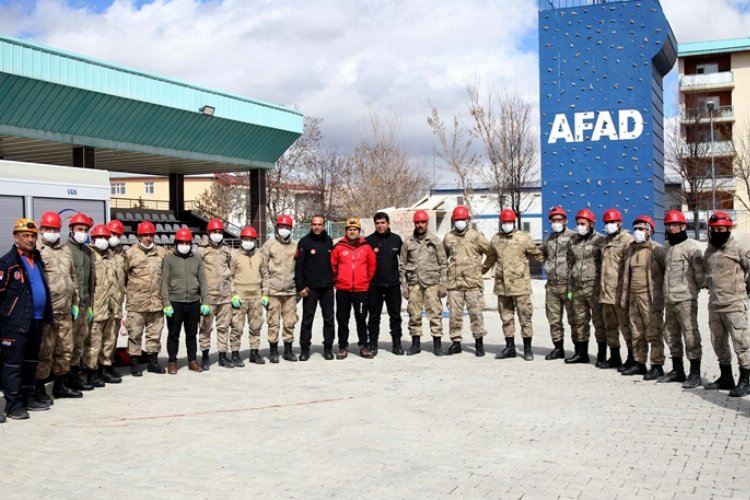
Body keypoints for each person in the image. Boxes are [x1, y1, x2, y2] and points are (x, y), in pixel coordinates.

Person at [0, 218, 53, 420]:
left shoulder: (36, 259)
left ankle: (28, 397)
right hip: (15, 324)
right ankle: (13, 405)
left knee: (31, 362)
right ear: (16, 237)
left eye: (32, 236)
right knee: (13, 365)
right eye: (25, 235)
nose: (30, 239)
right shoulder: (8, 263)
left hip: (36, 320)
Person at [484, 209, 544, 361]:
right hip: (502, 286)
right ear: (500, 223)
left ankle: (527, 349)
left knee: (525, 318)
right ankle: (510, 347)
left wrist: (551, 264)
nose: (507, 225)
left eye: (509, 222)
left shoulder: (523, 238)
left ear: (514, 223)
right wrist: (480, 271)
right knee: (506, 318)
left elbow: (537, 255)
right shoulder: (496, 239)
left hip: (520, 286)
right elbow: (491, 257)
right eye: (504, 222)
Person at [702, 211, 750, 397]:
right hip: (715, 304)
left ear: (729, 229)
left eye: (721, 229)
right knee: (718, 343)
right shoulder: (709, 251)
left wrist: (743, 291)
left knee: (741, 343)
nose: (717, 232)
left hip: (734, 304)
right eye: (714, 229)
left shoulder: (738, 248)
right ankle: (726, 377)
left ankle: (746, 379)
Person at [36, 211, 81, 401]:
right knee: (45, 351)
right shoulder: (37, 250)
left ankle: (60, 386)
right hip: (48, 311)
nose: (51, 232)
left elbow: (73, 277)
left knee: (64, 349)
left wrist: (75, 302)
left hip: (65, 309)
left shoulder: (65, 250)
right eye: (48, 228)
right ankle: (39, 388)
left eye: (55, 229)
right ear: (41, 229)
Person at [660, 210, 705, 388]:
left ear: (683, 226)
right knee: (671, 335)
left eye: (675, 225)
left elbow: (700, 274)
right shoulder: (667, 248)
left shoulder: (691, 248)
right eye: (668, 225)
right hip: (669, 300)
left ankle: (695, 373)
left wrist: (694, 291)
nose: (671, 228)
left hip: (685, 299)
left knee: (690, 335)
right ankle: (677, 370)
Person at [618, 216, 666, 379]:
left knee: (654, 332)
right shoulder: (630, 248)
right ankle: (639, 363)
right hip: (633, 296)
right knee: (636, 331)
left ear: (650, 231)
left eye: (642, 229)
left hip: (650, 298)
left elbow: (667, 272)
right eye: (636, 228)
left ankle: (657, 365)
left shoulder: (657, 250)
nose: (638, 232)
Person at [442, 205, 491, 356]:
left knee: (476, 314)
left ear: (468, 220)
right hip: (454, 284)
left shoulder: (476, 236)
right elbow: (443, 258)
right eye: (457, 220)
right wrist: (444, 279)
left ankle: (479, 344)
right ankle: (456, 343)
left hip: (473, 284)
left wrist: (482, 270)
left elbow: (491, 253)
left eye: (462, 219)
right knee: (454, 316)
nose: (460, 222)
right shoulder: (448, 237)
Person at [399, 210, 447, 356]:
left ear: (427, 223)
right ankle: (415, 344)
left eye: (423, 222)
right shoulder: (408, 242)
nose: (420, 225)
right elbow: (402, 265)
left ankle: (437, 345)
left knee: (435, 314)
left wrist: (443, 284)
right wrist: (404, 286)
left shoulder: (435, 240)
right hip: (414, 284)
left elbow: (443, 263)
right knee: (414, 314)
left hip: (432, 283)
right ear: (415, 223)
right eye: (418, 222)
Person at [161, 228, 208, 374]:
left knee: (191, 334)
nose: (184, 245)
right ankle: (172, 361)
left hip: (193, 302)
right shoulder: (169, 259)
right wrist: (166, 303)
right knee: (173, 334)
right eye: (181, 242)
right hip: (175, 302)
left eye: (187, 242)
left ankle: (192, 361)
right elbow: (164, 282)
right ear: (176, 243)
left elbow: (203, 281)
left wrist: (205, 301)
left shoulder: (196, 259)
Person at [330, 218, 376, 359]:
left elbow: (372, 267)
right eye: (349, 229)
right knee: (342, 319)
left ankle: (363, 346)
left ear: (359, 231)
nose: (352, 231)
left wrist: (364, 281)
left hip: (361, 290)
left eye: (355, 229)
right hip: (343, 290)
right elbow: (333, 266)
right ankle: (343, 347)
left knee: (361, 319)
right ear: (346, 231)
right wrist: (339, 280)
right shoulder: (339, 247)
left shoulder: (366, 248)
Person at [125, 221, 167, 376]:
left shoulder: (162, 253)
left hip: (156, 303)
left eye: (151, 235)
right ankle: (135, 364)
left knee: (154, 335)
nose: (148, 238)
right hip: (137, 304)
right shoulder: (130, 254)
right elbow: (123, 278)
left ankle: (152, 362)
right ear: (139, 236)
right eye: (145, 235)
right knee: (135, 335)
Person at [565, 208, 606, 365]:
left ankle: (602, 355)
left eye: (583, 223)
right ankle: (581, 354)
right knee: (580, 321)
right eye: (578, 223)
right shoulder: (573, 240)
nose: (580, 226)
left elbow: (604, 265)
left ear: (591, 224)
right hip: (577, 288)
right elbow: (570, 264)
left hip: (594, 287)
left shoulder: (600, 241)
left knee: (598, 322)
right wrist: (570, 288)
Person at [196, 219, 235, 370]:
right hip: (208, 297)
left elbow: (230, 272)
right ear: (208, 233)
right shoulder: (201, 250)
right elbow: (197, 273)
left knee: (224, 327)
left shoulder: (226, 249)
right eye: (214, 232)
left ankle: (222, 356)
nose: (217, 235)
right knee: (205, 328)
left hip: (225, 296)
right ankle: (205, 356)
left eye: (219, 232)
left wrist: (233, 293)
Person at [84, 224, 120, 388]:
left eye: (106, 238)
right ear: (93, 239)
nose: (104, 241)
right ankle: (91, 372)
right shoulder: (89, 255)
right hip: (97, 305)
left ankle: (105, 367)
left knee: (109, 339)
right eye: (100, 238)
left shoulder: (111, 256)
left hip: (111, 305)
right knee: (93, 341)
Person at [295, 215, 335, 360]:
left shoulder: (329, 241)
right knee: (307, 319)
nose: (316, 227)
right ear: (310, 225)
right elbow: (298, 267)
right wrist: (301, 286)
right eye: (314, 224)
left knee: (329, 319)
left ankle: (328, 348)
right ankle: (305, 349)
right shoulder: (304, 242)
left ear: (324, 225)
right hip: (310, 289)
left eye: (319, 224)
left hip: (327, 288)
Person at [598, 208, 634, 370]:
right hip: (606, 294)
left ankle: (633, 358)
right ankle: (614, 357)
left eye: (612, 222)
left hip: (620, 294)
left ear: (619, 223)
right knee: (610, 327)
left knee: (626, 327)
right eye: (607, 223)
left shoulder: (627, 240)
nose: (609, 225)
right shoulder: (605, 242)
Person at [261, 214, 299, 363]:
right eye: (281, 227)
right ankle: (273, 351)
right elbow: (263, 268)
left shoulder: (295, 246)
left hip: (290, 291)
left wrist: (298, 290)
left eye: (287, 227)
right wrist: (265, 291)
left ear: (291, 229)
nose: (284, 230)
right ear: (277, 228)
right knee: (273, 322)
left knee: (290, 322)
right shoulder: (269, 245)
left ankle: (288, 350)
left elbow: (300, 268)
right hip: (273, 292)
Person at [365, 212, 404, 356]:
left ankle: (397, 344)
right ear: (374, 224)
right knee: (374, 317)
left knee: (395, 316)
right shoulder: (368, 241)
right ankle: (373, 344)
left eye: (383, 223)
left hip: (393, 285)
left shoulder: (396, 239)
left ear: (388, 223)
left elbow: (404, 261)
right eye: (377, 223)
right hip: (374, 286)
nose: (380, 226)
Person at [541, 206, 576, 360]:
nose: (556, 223)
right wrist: (546, 266)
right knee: (554, 319)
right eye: (553, 220)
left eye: (559, 220)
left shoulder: (573, 237)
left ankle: (579, 349)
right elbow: (541, 253)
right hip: (552, 286)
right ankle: (558, 348)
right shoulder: (548, 239)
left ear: (565, 221)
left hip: (568, 285)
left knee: (575, 319)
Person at [66, 212, 96, 391]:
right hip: (71, 306)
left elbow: (90, 280)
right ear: (71, 229)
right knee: (67, 344)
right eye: (79, 229)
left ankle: (75, 375)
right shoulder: (65, 250)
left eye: (85, 230)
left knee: (79, 343)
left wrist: (90, 304)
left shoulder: (87, 252)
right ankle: (64, 378)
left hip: (85, 304)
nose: (83, 233)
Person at [230, 226, 265, 364]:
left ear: (255, 240)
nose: (248, 241)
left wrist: (265, 293)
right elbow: (229, 277)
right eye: (246, 239)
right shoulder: (234, 256)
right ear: (241, 239)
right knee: (237, 327)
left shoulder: (260, 256)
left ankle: (254, 353)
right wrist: (233, 294)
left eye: (251, 239)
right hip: (239, 298)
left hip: (256, 297)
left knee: (256, 326)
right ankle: (234, 353)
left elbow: (265, 275)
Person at [100, 218, 127, 384]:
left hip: (116, 301)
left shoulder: (122, 254)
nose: (114, 237)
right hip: (100, 301)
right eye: (112, 233)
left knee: (111, 335)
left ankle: (107, 365)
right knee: (96, 337)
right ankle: (95, 368)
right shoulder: (97, 252)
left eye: (117, 234)